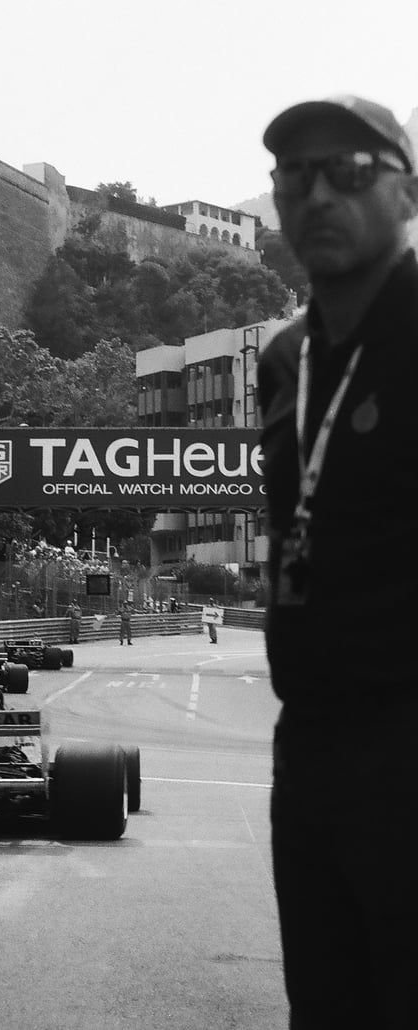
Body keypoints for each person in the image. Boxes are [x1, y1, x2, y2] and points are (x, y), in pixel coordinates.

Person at [259, 95, 418, 1029]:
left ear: (406, 192)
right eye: (295, 174)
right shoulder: (286, 362)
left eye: (349, 171)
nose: (318, 192)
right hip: (311, 747)